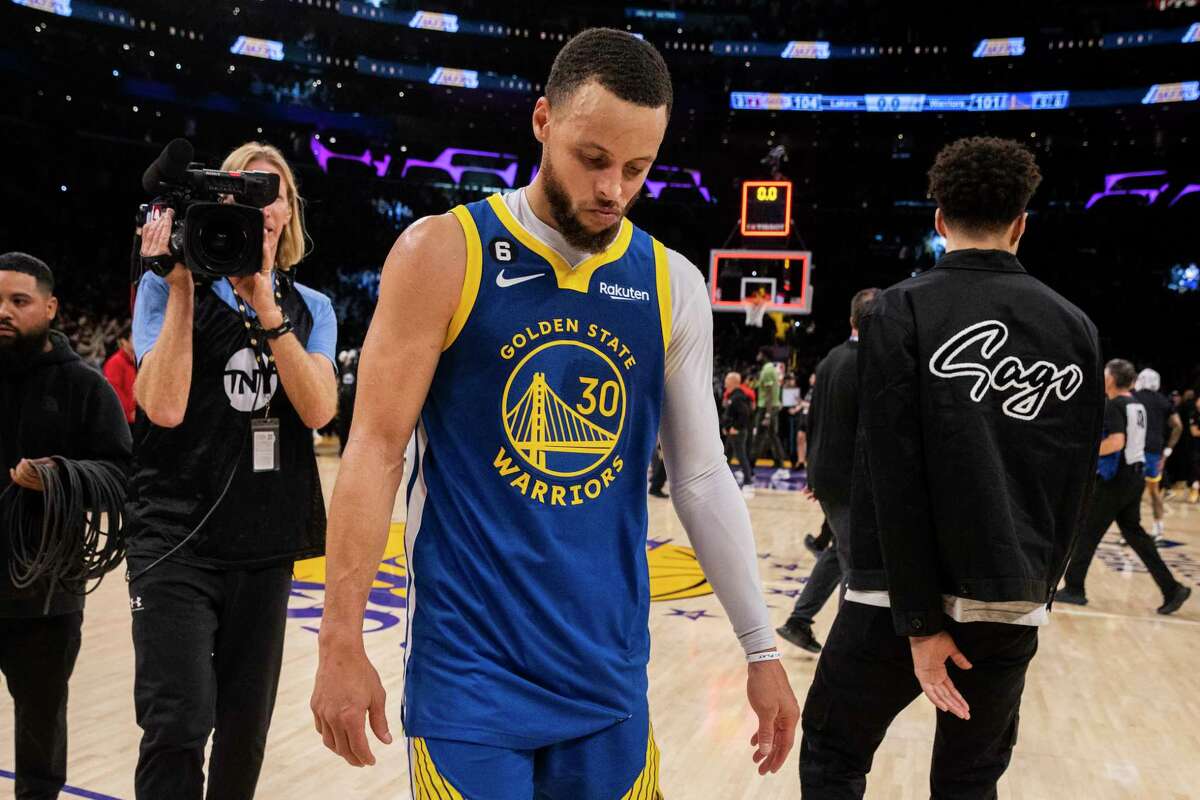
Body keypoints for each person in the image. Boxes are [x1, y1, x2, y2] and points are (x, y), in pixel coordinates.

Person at [310, 29, 798, 798]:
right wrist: (339, 638)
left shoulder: (671, 285)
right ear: (542, 121)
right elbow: (372, 449)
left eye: (637, 170)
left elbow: (701, 475)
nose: (614, 190)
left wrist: (762, 648)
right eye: (594, 160)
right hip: (469, 678)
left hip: (607, 681)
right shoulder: (443, 252)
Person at [801, 137, 1105, 798]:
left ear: (938, 219)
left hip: (896, 601)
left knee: (832, 749)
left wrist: (919, 622)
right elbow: (1075, 480)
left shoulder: (897, 309)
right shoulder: (1076, 326)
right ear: (1022, 222)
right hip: (1013, 601)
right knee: (969, 782)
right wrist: (1034, 593)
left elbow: (893, 474)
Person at [126, 141, 338, 799]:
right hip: (175, 536)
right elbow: (160, 407)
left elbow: (319, 410)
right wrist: (183, 286)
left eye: (268, 191)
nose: (255, 206)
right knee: (179, 718)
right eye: (238, 190)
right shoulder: (163, 287)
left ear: (288, 212)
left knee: (244, 733)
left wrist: (268, 308)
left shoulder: (314, 309)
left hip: (264, 542)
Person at [0, 252, 131, 800]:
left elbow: (125, 476)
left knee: (40, 728)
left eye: (18, 301)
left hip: (46, 595)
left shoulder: (83, 386)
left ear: (50, 308)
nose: (3, 311)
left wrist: (60, 476)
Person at [777, 288, 878, 655]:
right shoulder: (870, 363)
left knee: (839, 553)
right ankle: (845, 651)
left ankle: (798, 621)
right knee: (856, 562)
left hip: (828, 475)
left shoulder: (830, 359)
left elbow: (813, 421)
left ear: (852, 319)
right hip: (852, 479)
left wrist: (813, 475)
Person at [1058, 360, 1192, 614]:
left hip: (1116, 480)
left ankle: (1075, 589)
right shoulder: (1135, 404)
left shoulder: (1115, 405)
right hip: (1135, 476)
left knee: (1087, 532)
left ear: (1110, 379)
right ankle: (1172, 589)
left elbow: (1117, 441)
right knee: (1135, 535)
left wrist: (1087, 453)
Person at [1132, 368, 1181, 541]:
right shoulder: (1163, 401)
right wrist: (1167, 451)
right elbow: (1178, 426)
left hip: (1135, 450)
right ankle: (1158, 528)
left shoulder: (1133, 397)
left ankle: (1130, 530)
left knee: (1131, 492)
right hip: (1155, 451)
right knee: (1154, 492)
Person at [751, 351, 789, 478]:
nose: (757, 356)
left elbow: (768, 393)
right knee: (773, 436)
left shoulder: (767, 370)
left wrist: (767, 414)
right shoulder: (771, 369)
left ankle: (749, 469)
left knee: (759, 438)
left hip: (766, 408)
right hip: (772, 407)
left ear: (763, 355)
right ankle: (781, 465)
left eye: (759, 354)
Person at [722, 370, 756, 493]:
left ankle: (748, 481)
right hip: (733, 433)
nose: (725, 382)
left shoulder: (738, 397)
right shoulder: (732, 395)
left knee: (741, 456)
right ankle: (722, 480)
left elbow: (745, 414)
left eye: (727, 379)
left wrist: (735, 427)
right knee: (726, 456)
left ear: (733, 381)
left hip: (738, 433)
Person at [103, 323, 137, 425]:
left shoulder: (136, 361)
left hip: (137, 418)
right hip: (124, 422)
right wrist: (130, 414)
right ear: (124, 342)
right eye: (134, 337)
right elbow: (115, 393)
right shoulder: (115, 363)